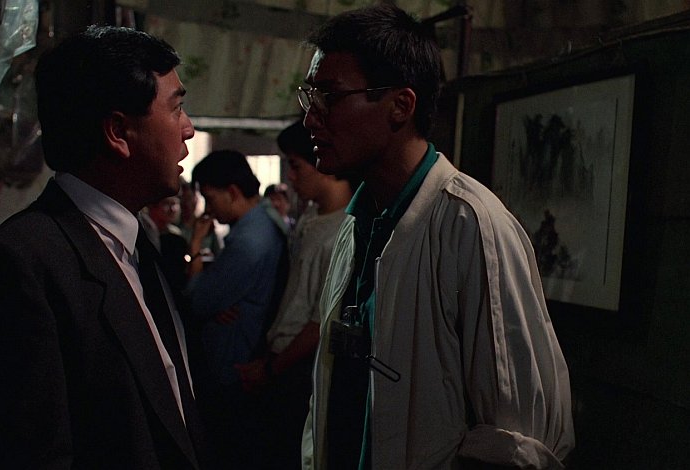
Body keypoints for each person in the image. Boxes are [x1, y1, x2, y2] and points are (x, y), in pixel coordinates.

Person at [298, 5, 575, 470]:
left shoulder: (471, 224)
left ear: (401, 106)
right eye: (310, 96)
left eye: (329, 96)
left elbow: (522, 438)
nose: (311, 118)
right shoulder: (359, 222)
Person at [0, 26, 207, 468]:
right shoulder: (19, 264)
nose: (188, 129)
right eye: (176, 108)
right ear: (118, 132)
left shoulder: (143, 245)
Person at [235, 120, 354, 469]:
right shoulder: (311, 215)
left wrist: (273, 368)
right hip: (280, 355)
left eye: (296, 165)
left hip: (299, 367)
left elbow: (321, 321)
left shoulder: (343, 229)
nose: (290, 176)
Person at [185, 150, 288, 468]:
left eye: (210, 198)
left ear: (232, 191)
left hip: (234, 368)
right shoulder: (261, 224)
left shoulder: (249, 241)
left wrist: (195, 250)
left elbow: (196, 301)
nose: (208, 208)